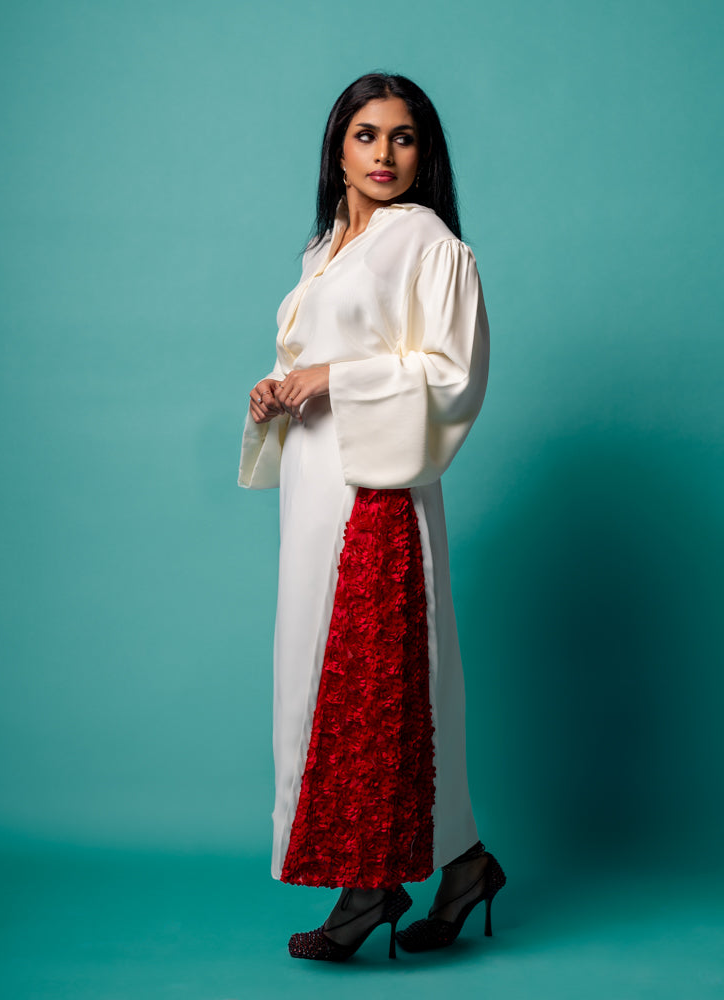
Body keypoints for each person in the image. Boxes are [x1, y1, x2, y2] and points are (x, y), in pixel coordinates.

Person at [238, 72, 505, 963]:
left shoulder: (425, 242)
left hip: (375, 497)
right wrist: (285, 386)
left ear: (424, 153)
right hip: (317, 492)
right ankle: (462, 866)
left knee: (379, 687)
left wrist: (334, 379)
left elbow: (452, 371)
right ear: (337, 147)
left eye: (403, 138)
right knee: (326, 678)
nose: (384, 155)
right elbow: (317, 356)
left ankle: (370, 885)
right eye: (366, 135)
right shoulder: (327, 247)